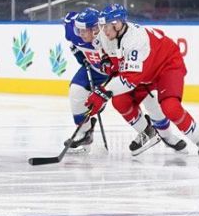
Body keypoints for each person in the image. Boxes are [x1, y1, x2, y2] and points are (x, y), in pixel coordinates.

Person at [85, 4, 199, 160]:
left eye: (107, 26)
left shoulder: (136, 40)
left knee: (170, 107)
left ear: (118, 24)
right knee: (120, 101)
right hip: (143, 71)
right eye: (102, 26)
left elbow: (130, 80)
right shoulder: (105, 35)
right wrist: (105, 61)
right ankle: (148, 132)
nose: (104, 31)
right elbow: (102, 49)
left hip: (166, 65)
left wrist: (102, 93)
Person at [63, 8, 184, 155]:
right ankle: (84, 134)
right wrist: (78, 53)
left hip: (119, 71)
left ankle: (166, 135)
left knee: (148, 99)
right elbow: (74, 42)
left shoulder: (109, 35)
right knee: (76, 91)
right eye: (78, 30)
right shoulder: (74, 32)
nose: (80, 34)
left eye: (84, 30)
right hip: (96, 70)